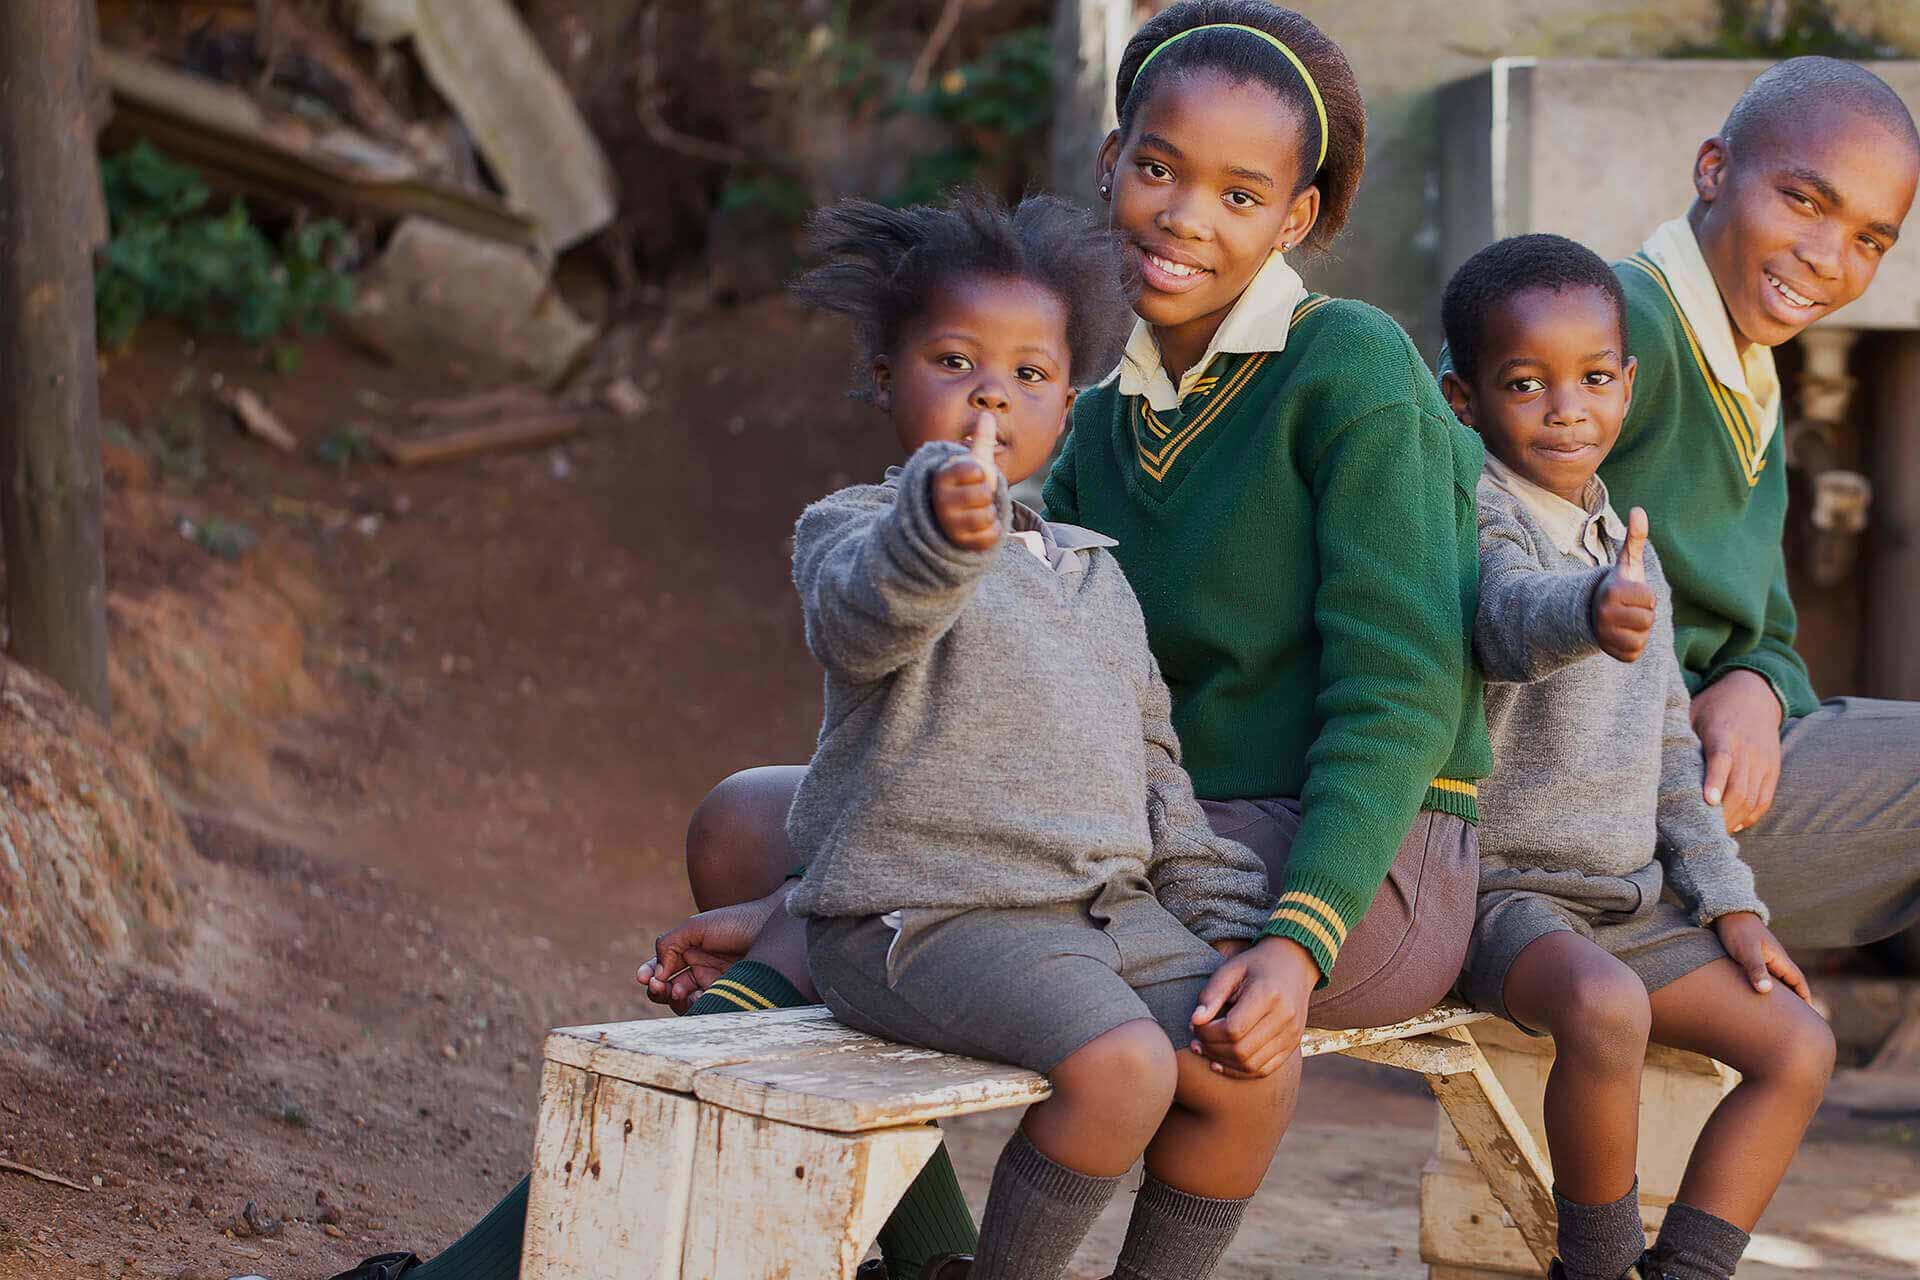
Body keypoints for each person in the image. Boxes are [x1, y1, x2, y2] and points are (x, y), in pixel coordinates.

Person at [789, 189, 1298, 1280]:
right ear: (884, 377)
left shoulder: (1093, 572)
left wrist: (1222, 926)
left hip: (1100, 914)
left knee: (1248, 1070)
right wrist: (938, 528)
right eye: (954, 362)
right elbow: (863, 619)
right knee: (1122, 1070)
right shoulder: (859, 529)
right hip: (927, 915)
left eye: (1029, 374)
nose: (991, 394)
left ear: (1069, 401)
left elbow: (1155, 766)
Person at [1441, 57, 1920, 954]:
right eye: (1803, 201)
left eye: (1871, 240)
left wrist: (1758, 688)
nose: (1828, 258)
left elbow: (1765, 629)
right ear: (1713, 170)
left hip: (1697, 771)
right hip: (1581, 806)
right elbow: (1443, 489)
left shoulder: (1749, 371)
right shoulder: (1618, 326)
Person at [1440, 233, 1835, 1280]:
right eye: (1526, 383)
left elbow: (1669, 747)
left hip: (1630, 900)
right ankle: (1597, 1266)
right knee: (1606, 1006)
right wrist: (1588, 609)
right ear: (1464, 399)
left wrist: (1730, 903)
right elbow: (1504, 619)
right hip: (1504, 897)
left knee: (1799, 1043)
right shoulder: (1468, 517)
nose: (1568, 409)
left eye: (1596, 378)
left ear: (1629, 381)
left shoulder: (1630, 545)